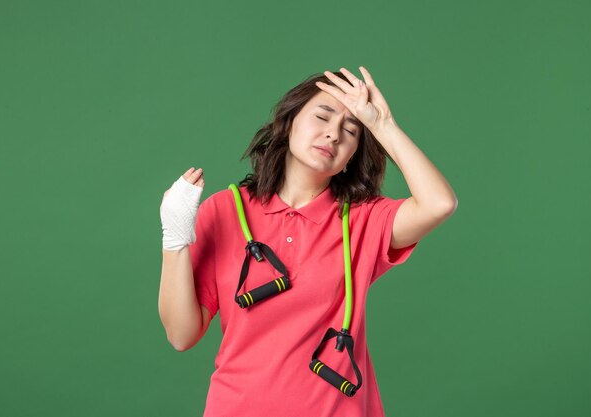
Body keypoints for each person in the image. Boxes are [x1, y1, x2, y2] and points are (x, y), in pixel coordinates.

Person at [159, 66, 458, 416]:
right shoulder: (226, 210)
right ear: (288, 123)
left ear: (351, 157)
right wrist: (176, 237)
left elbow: (440, 203)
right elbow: (182, 335)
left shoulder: (362, 221)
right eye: (322, 116)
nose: (333, 134)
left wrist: (382, 125)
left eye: (350, 131)